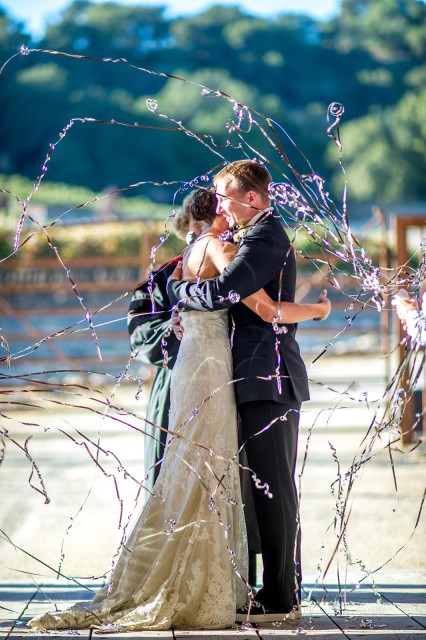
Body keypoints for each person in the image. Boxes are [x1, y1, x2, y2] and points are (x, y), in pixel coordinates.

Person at [28, 186, 329, 632]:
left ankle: (226, 578)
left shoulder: (184, 267)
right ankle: (229, 581)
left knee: (215, 477)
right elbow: (254, 306)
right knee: (201, 474)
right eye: (220, 216)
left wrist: (185, 296)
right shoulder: (203, 256)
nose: (229, 224)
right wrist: (318, 311)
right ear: (208, 223)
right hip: (191, 380)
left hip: (218, 377)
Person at [167, 160, 318, 624]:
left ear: (251, 198)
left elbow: (230, 289)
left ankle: (281, 596)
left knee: (273, 487)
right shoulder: (249, 235)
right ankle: (268, 587)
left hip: (268, 376)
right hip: (247, 374)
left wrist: (179, 293)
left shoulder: (267, 234)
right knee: (257, 488)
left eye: (226, 197)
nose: (222, 206)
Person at [128, 191, 209, 491]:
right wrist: (175, 329)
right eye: (195, 227)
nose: (201, 234)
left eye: (209, 225)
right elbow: (141, 336)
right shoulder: (161, 279)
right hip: (173, 389)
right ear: (186, 228)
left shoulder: (239, 275)